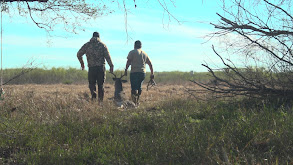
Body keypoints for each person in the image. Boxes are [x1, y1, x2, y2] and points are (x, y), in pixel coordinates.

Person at [77, 32, 114, 102]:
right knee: (101, 85)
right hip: (101, 68)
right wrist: (111, 66)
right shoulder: (102, 45)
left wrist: (82, 63)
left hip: (91, 68)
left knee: (92, 85)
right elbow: (107, 56)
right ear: (99, 37)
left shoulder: (87, 45)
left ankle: (93, 99)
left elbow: (79, 54)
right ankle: (100, 102)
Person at [124, 40, 154, 105]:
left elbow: (128, 62)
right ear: (141, 46)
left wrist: (126, 70)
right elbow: (150, 64)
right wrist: (152, 73)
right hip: (142, 73)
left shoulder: (132, 52)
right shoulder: (145, 54)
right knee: (139, 86)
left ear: (134, 45)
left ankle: (134, 102)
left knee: (134, 88)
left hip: (134, 72)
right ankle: (137, 100)